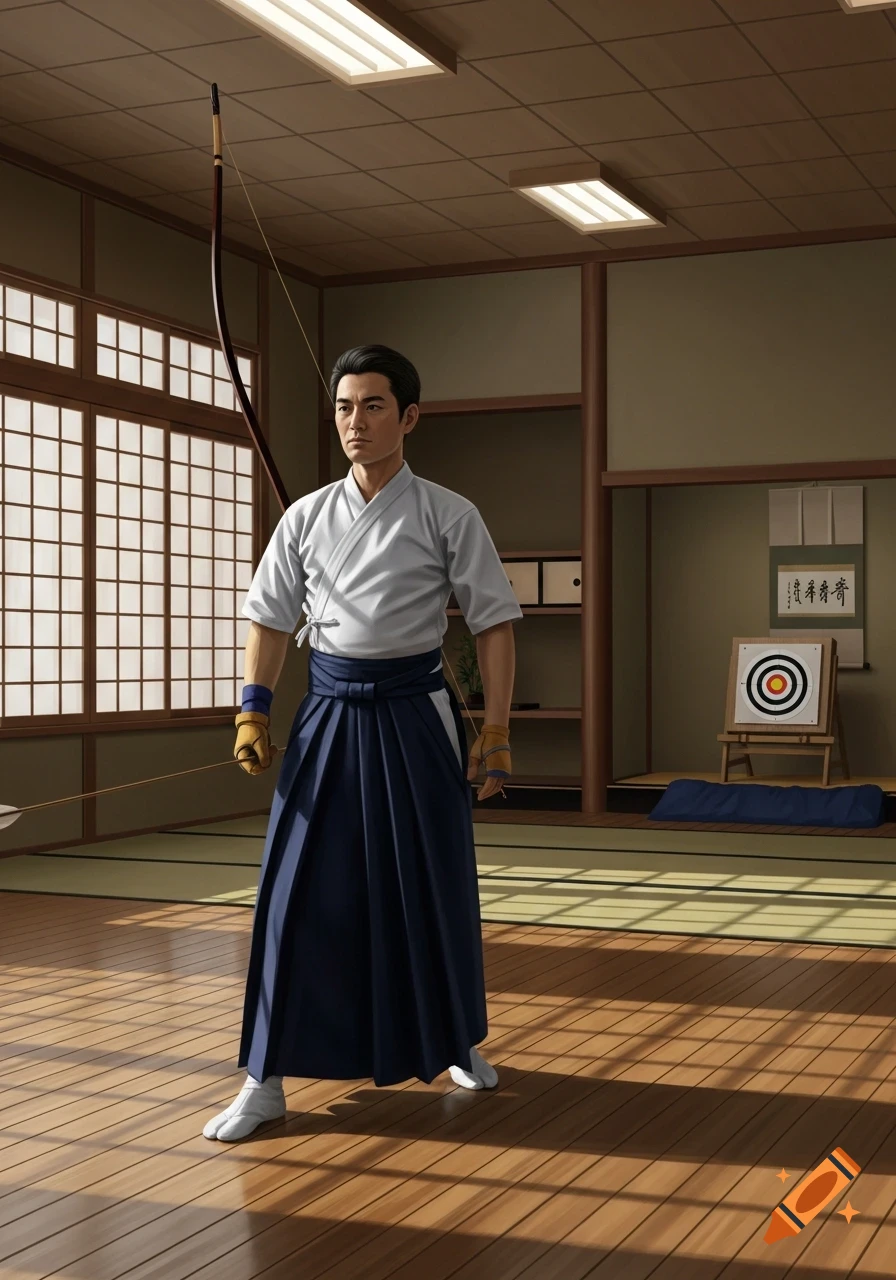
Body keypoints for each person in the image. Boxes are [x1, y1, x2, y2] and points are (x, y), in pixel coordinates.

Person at [204, 344, 521, 1141]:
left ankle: (453, 1043)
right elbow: (271, 619)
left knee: (430, 885)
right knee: (294, 895)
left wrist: (498, 732)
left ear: (409, 417)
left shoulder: (450, 513)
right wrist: (253, 709)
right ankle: (265, 1077)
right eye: (344, 407)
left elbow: (494, 624)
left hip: (416, 716)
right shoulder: (306, 516)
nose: (355, 422)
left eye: (373, 406)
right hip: (330, 715)